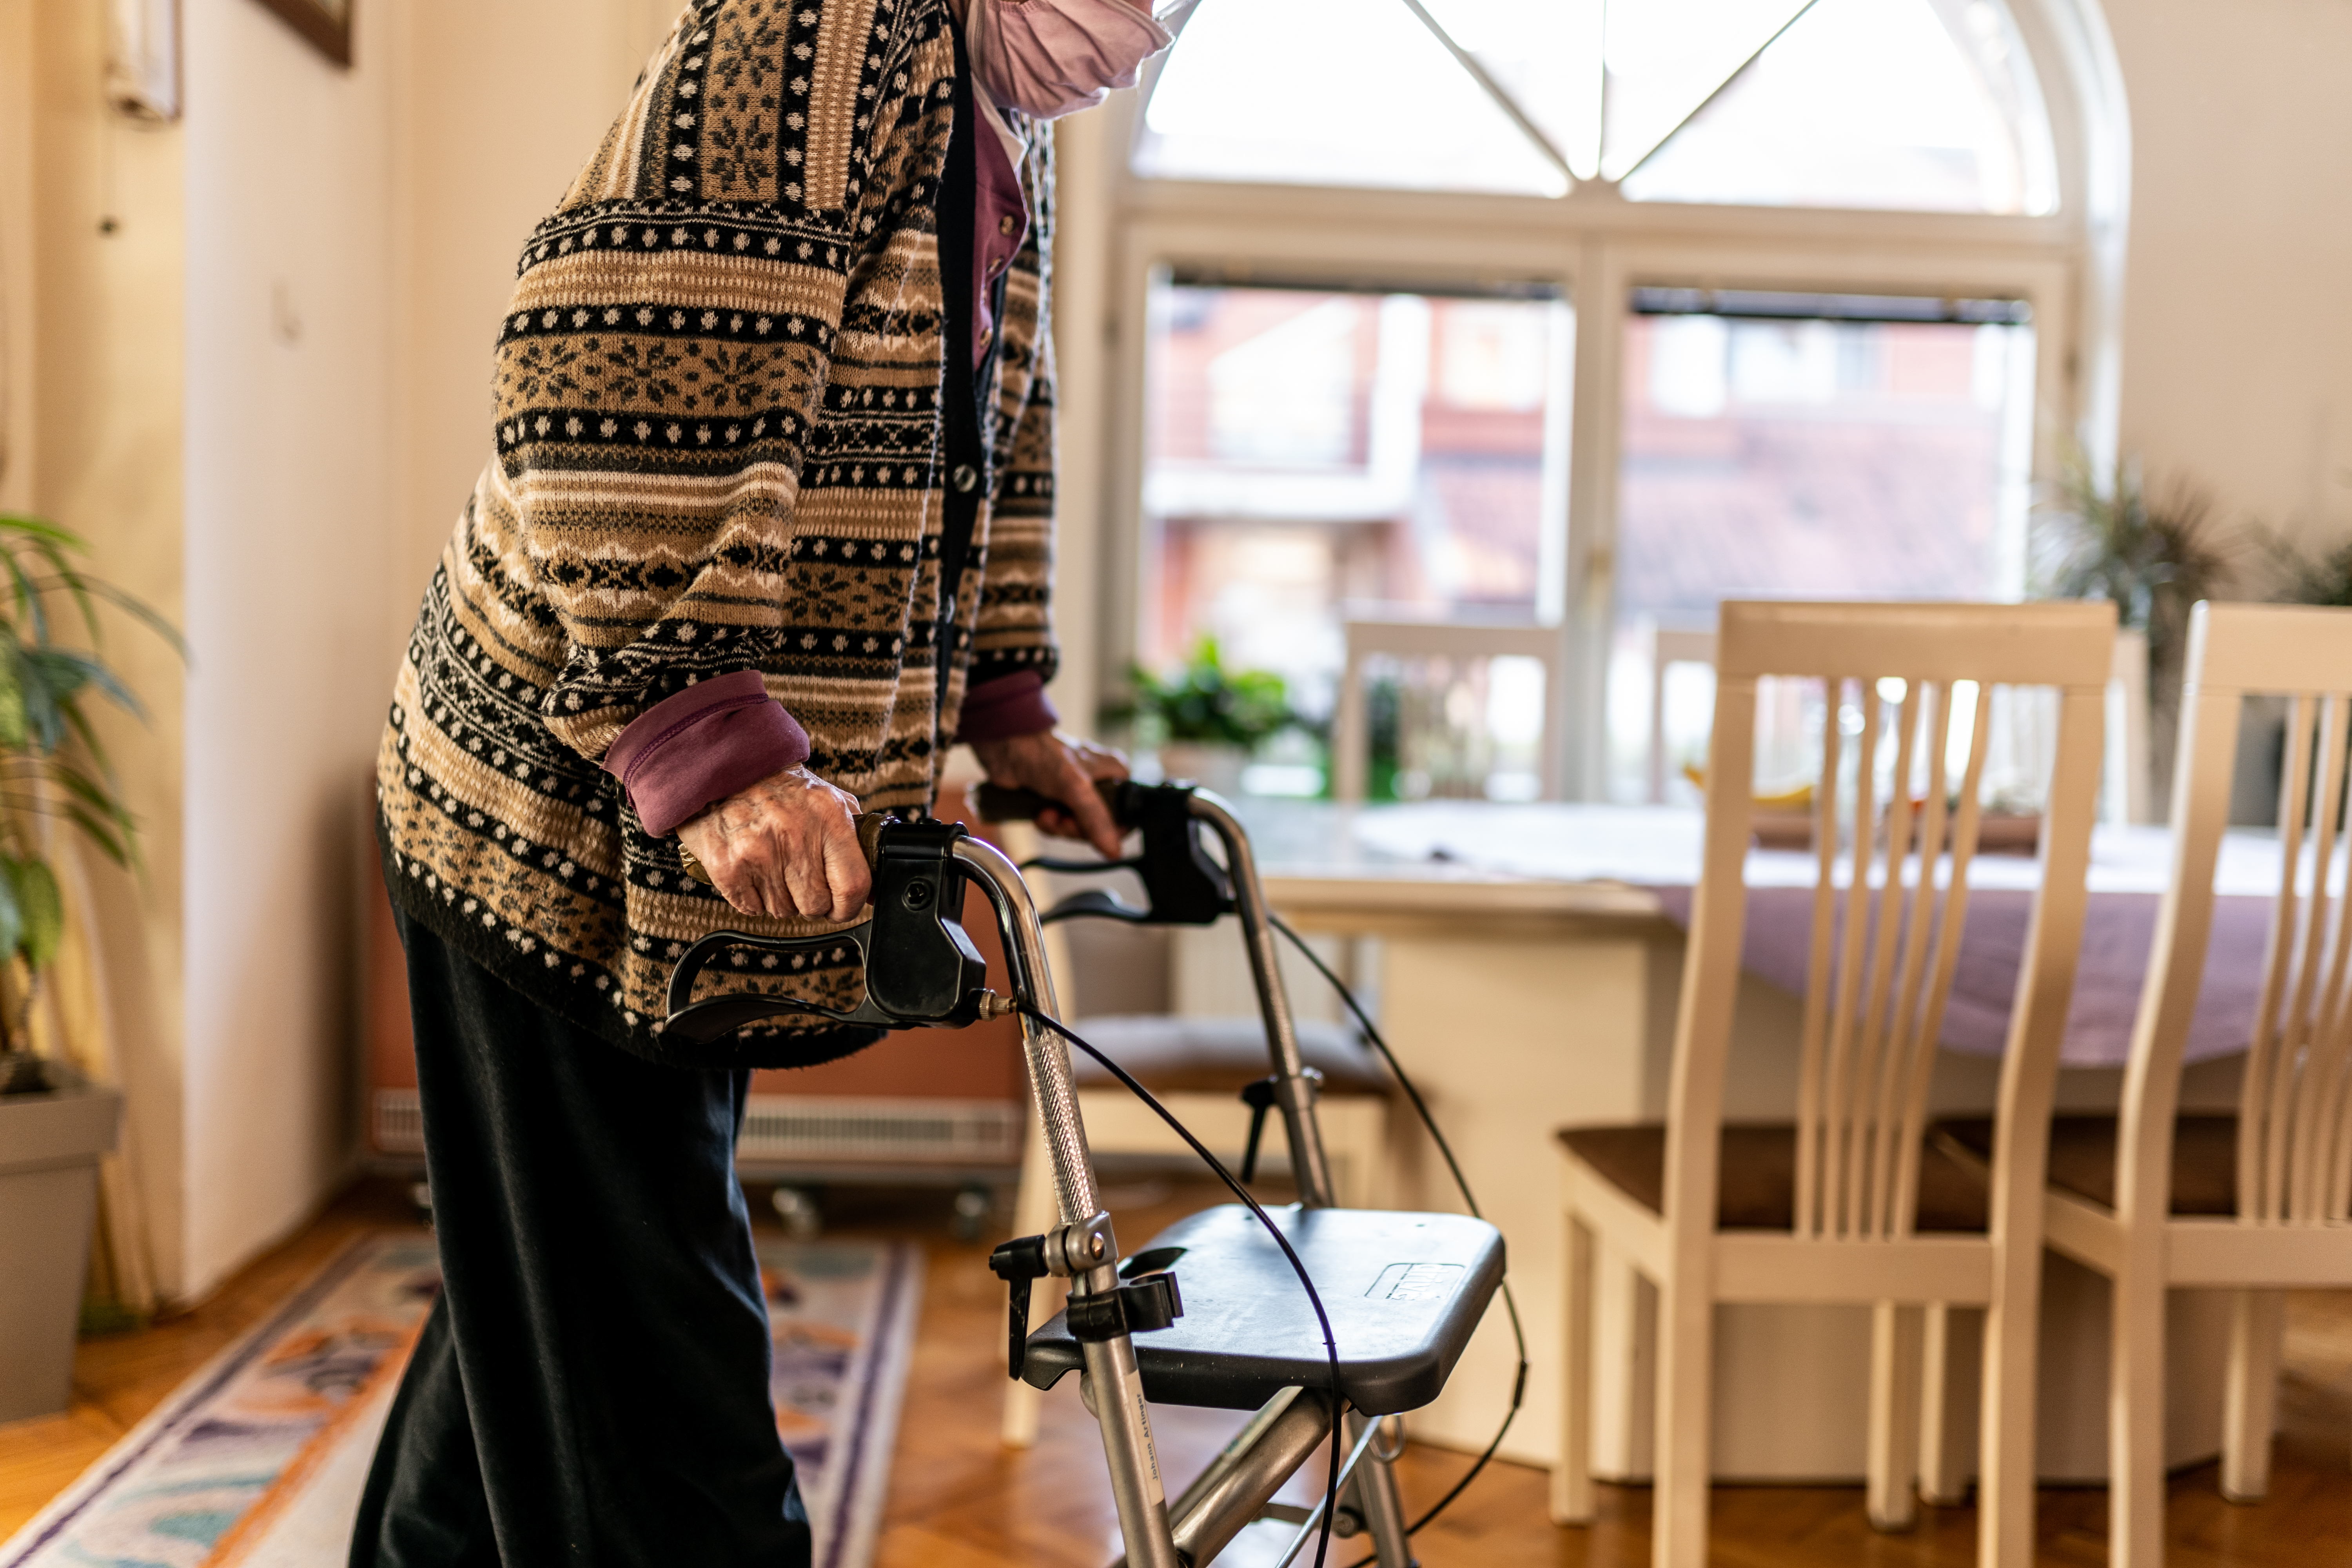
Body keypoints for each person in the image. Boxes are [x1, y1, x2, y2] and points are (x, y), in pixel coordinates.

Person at [354, 0, 1172, 1562]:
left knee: (557, 1300)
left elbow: (992, 434)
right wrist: (700, 737)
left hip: (660, 849)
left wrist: (1004, 703)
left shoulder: (1000, 122)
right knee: (659, 1407)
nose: (1140, 43)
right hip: (556, 814)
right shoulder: (826, 26)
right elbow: (593, 346)